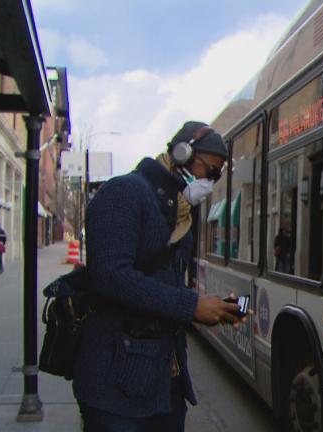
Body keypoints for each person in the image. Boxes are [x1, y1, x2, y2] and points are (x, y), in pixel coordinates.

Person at [73, 121, 246, 432]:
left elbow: (163, 283)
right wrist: (189, 305)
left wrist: (211, 308)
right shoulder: (124, 192)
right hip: (116, 386)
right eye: (211, 170)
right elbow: (111, 276)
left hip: (163, 382)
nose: (211, 181)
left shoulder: (178, 210)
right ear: (182, 154)